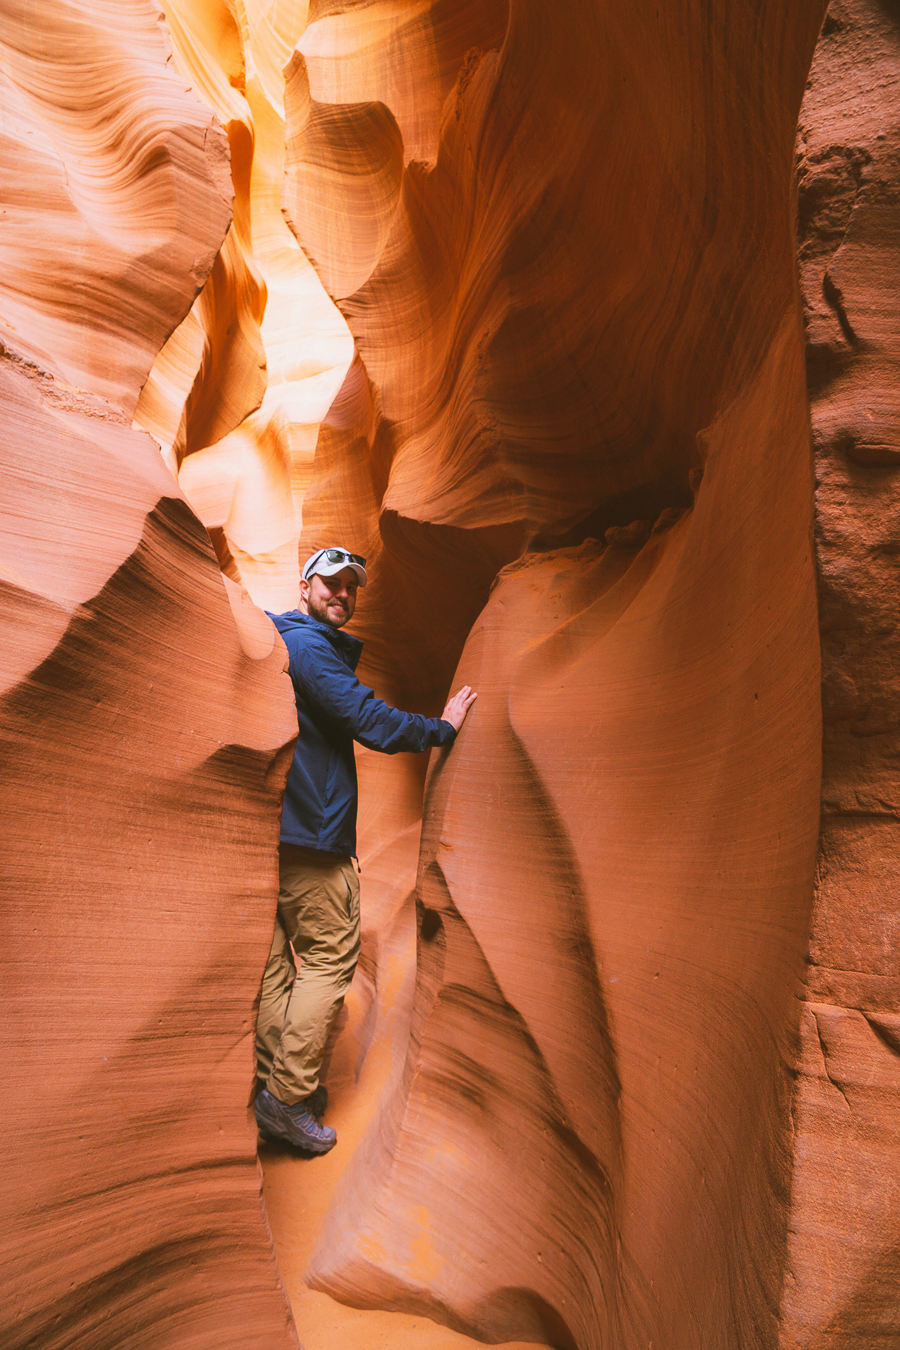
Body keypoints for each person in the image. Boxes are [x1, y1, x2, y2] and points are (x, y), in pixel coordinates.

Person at [254, 545, 476, 1153]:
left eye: (351, 588)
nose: (342, 595)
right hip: (312, 839)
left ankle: (269, 1086)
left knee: (278, 969)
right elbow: (367, 719)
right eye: (331, 583)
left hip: (278, 834)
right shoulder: (310, 649)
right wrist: (443, 729)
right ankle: (287, 1098)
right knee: (329, 961)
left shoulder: (285, 641)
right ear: (305, 586)